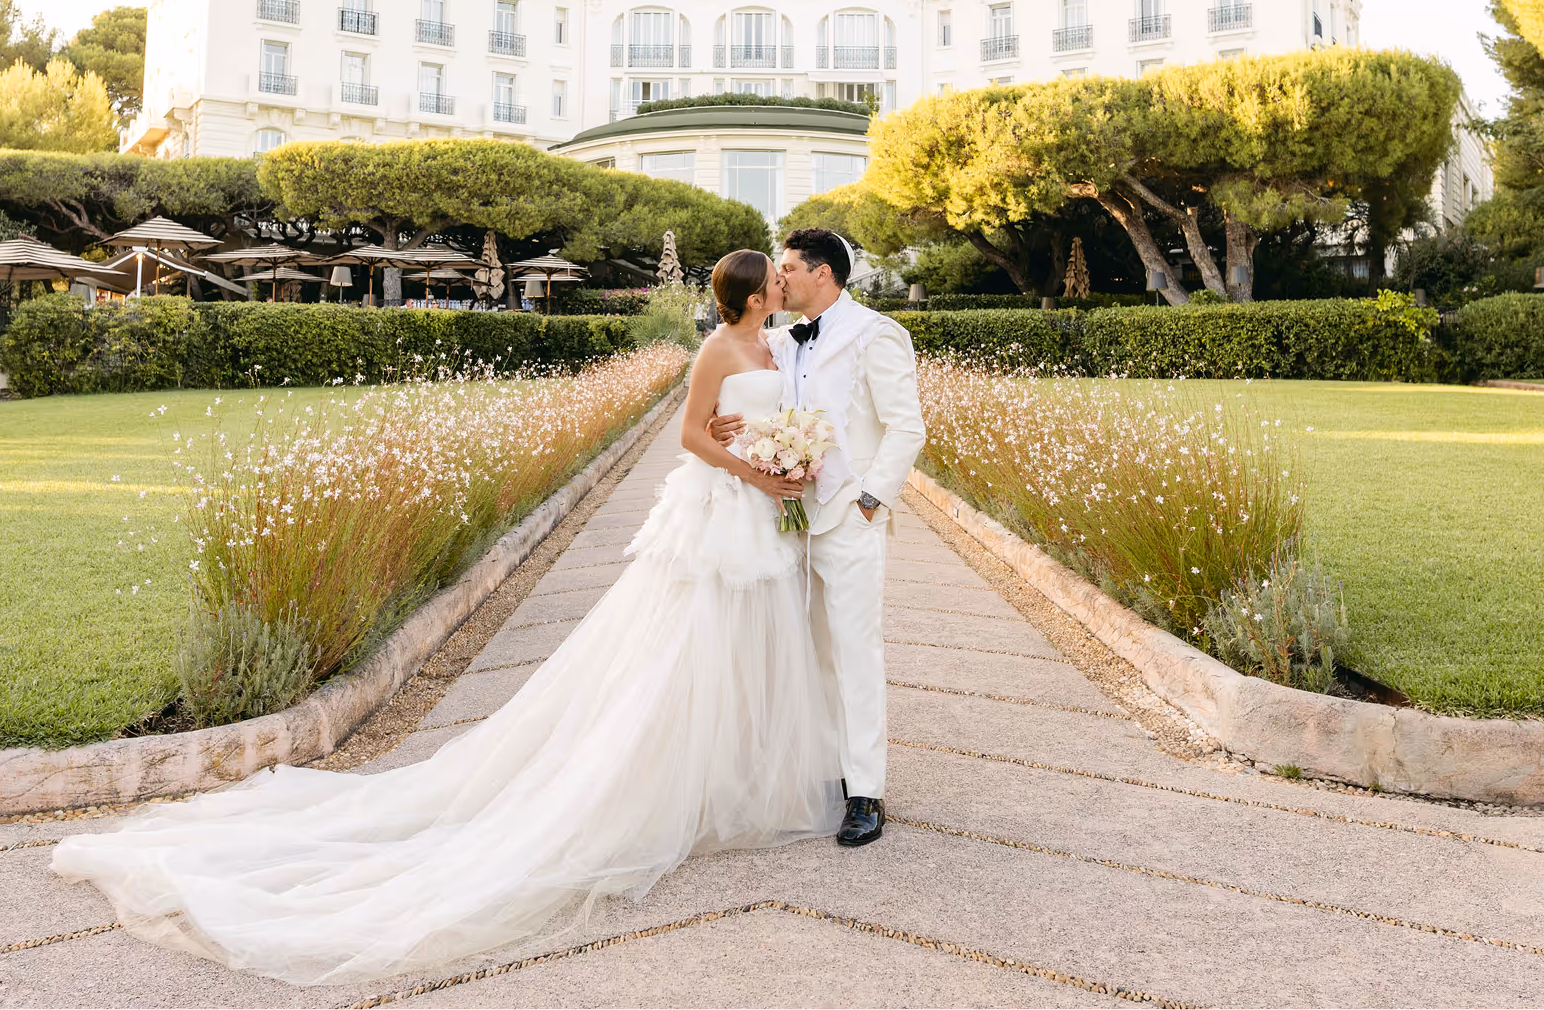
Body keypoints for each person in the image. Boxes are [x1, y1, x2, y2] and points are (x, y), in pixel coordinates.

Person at [50, 249, 839, 986]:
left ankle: (744, 771)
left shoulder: (784, 347)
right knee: (692, 646)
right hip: (727, 508)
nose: (782, 281)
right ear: (746, 293)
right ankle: (677, 779)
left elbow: (778, 411)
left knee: (758, 639)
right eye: (772, 276)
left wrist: (784, 457)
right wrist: (752, 469)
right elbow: (688, 434)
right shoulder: (716, 351)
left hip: (767, 512)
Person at [707, 227, 925, 846]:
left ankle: (865, 792)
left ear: (822, 273)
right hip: (784, 522)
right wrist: (725, 425)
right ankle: (823, 769)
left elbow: (907, 429)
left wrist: (868, 502)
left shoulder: (878, 334)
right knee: (805, 654)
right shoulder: (776, 338)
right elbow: (745, 391)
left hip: (847, 521)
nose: (780, 279)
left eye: (789, 268)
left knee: (855, 653)